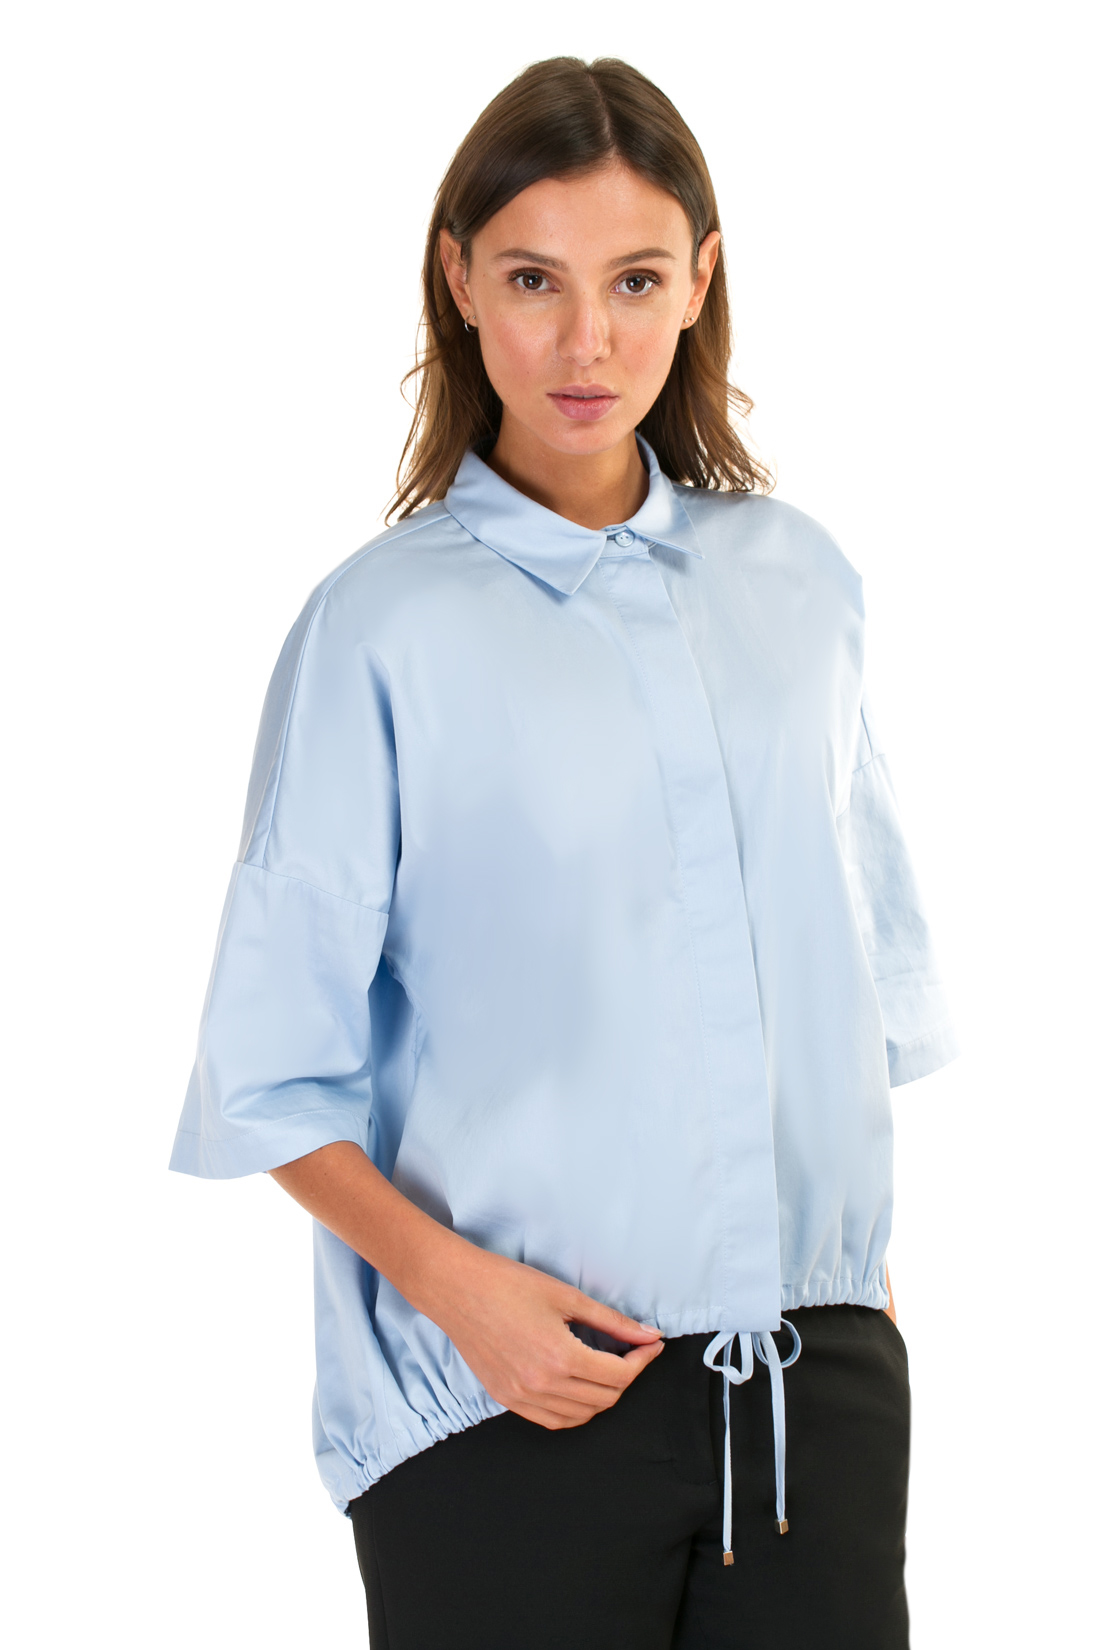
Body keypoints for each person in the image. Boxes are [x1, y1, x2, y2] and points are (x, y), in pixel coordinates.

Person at [170, 55, 958, 1650]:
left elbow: (862, 993)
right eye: (535, 279)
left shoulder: (801, 585)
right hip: (506, 1406)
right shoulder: (378, 630)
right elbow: (269, 1078)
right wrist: (466, 1300)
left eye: (635, 280)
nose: (586, 340)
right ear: (460, 282)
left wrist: (852, 1307)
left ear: (702, 281)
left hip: (811, 1397)